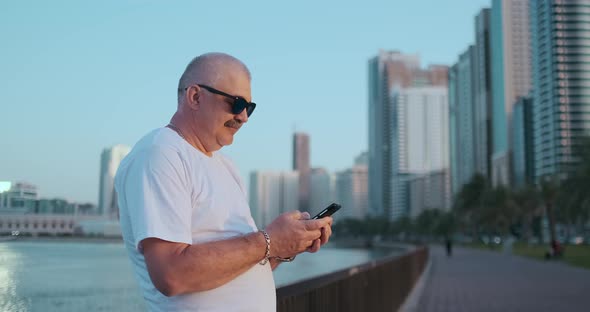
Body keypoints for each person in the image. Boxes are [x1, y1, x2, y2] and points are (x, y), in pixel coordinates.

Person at [114, 52, 333, 311]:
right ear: (195, 97)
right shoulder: (160, 154)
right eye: (237, 103)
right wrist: (269, 239)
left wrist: (286, 246)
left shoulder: (225, 166)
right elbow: (171, 274)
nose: (244, 117)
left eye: (249, 108)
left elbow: (242, 263)